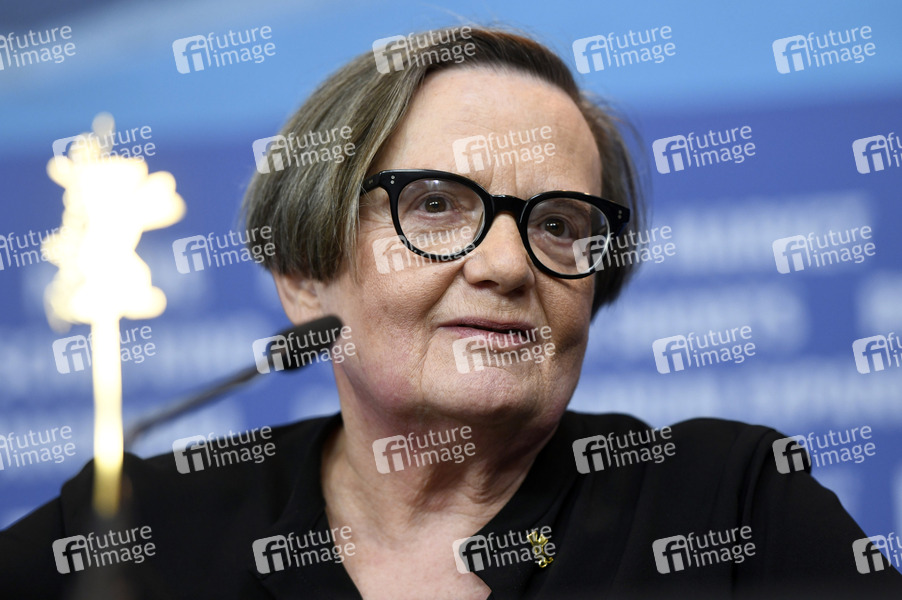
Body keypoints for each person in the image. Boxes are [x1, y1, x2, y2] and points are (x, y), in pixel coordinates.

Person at [2, 27, 901, 600]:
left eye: (559, 225)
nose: (507, 265)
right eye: (434, 206)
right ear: (306, 275)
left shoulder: (729, 507)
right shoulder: (130, 529)